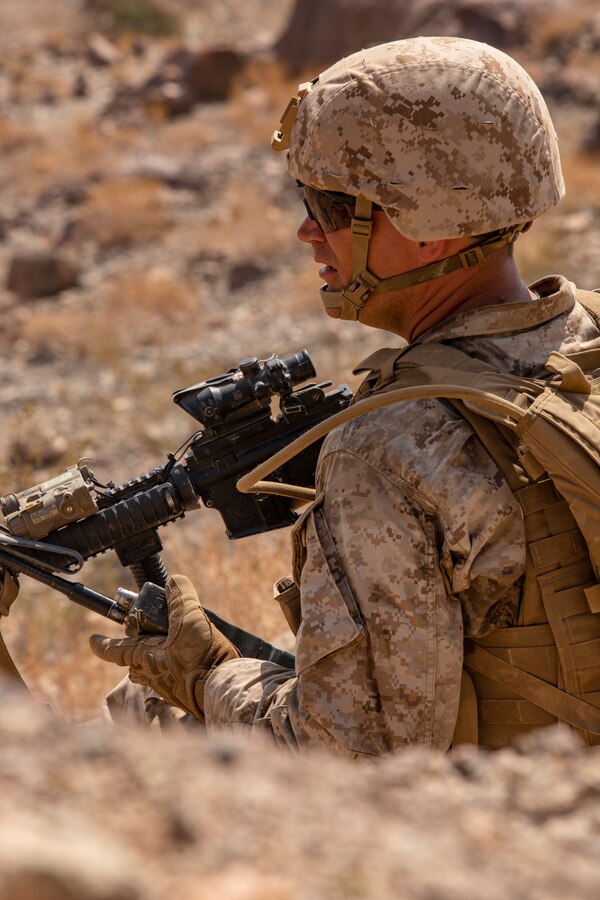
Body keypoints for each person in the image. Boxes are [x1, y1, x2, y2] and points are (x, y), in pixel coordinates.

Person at [89, 36, 600, 754]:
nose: (307, 231)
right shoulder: (588, 336)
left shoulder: (389, 445)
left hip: (504, 826)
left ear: (428, 227)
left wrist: (205, 675)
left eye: (330, 206)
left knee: (128, 721)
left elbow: (346, 750)